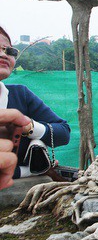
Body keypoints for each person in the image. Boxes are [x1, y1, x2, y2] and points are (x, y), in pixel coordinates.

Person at [0, 25, 71, 179]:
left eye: (9, 51)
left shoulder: (20, 95)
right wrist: (30, 171)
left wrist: (30, 128)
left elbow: (63, 133)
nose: (3, 55)